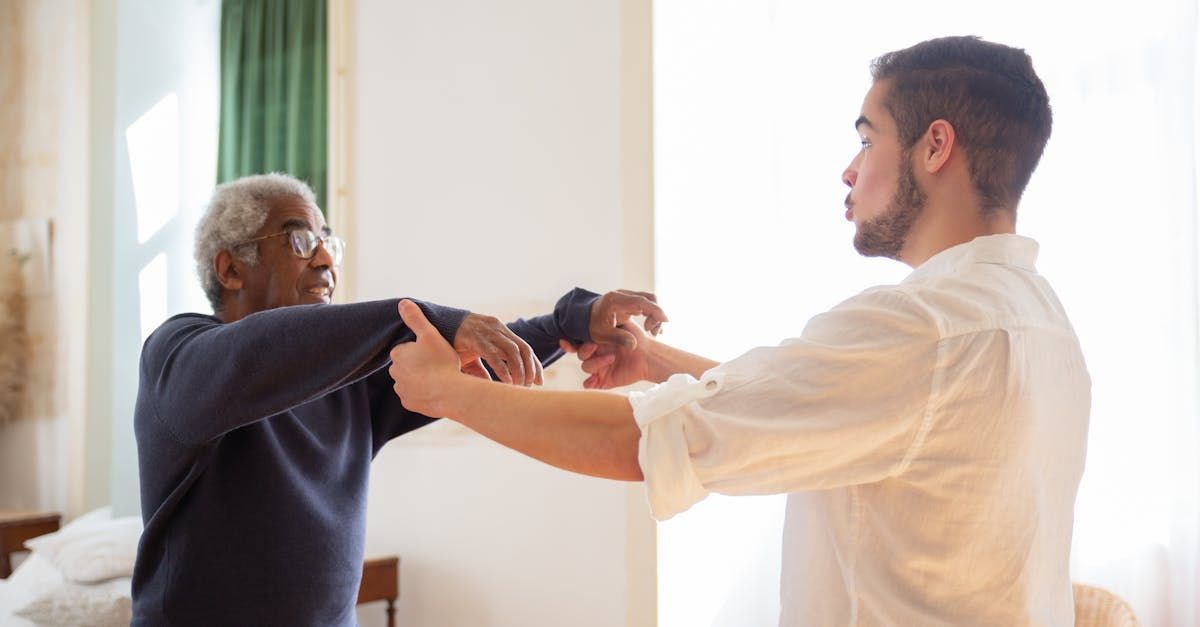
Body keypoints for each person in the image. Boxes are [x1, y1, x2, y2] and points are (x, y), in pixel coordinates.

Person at [388, 36, 1091, 625]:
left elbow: (641, 441)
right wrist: (655, 359)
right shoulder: (1041, 322)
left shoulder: (923, 330)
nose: (848, 168)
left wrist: (449, 393)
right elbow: (820, 402)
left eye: (867, 137)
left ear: (936, 145)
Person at [131, 173, 667, 626]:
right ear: (230, 269)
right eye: (298, 240)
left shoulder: (345, 381)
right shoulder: (178, 356)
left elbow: (466, 364)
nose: (324, 259)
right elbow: (259, 353)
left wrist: (565, 323)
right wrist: (426, 318)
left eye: (329, 242)